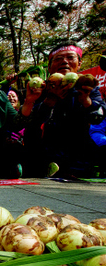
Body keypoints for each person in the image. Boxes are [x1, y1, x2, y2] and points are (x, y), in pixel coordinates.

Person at [23, 41, 106, 177]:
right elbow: (29, 123)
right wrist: (49, 101)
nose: (65, 62)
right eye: (59, 59)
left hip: (79, 162)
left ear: (79, 64)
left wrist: (86, 100)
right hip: (42, 161)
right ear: (50, 67)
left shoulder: (88, 88)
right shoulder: (40, 90)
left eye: (70, 57)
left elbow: (98, 118)